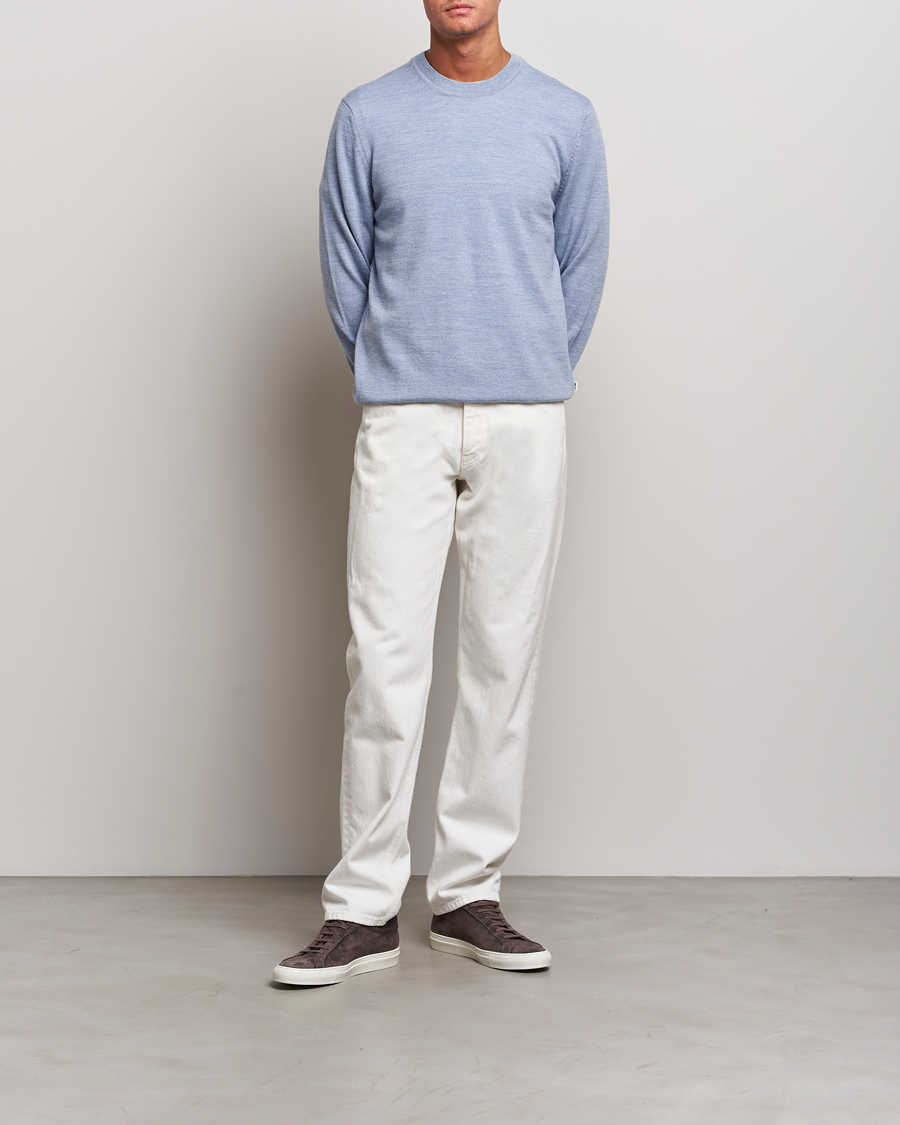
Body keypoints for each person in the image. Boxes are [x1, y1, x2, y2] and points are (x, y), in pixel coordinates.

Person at [274, 0, 609, 986]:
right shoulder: (369, 115)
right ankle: (363, 908)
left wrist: (527, 365)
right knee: (383, 661)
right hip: (404, 414)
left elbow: (581, 265)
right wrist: (395, 371)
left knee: (502, 656)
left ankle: (468, 894)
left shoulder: (564, 116)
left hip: (525, 416)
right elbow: (345, 269)